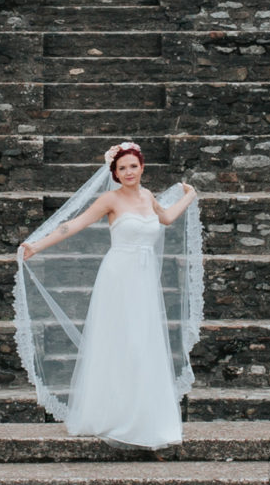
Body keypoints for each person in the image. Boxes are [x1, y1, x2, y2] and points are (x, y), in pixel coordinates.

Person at [15, 141, 203, 451]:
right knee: (121, 342)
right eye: (122, 168)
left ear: (142, 167)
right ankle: (113, 415)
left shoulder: (148, 197)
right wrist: (37, 245)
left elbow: (166, 219)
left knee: (143, 343)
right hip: (118, 277)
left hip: (143, 282)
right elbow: (73, 225)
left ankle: (146, 418)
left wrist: (190, 196)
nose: (128, 172)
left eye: (133, 166)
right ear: (114, 173)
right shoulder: (109, 200)